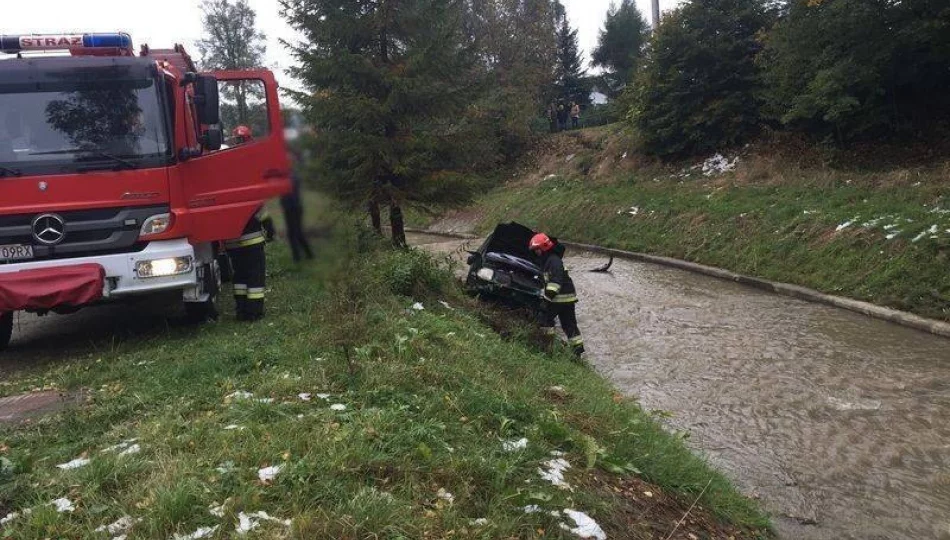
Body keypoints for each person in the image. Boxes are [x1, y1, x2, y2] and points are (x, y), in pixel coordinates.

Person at [529, 232, 584, 357]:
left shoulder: (553, 261)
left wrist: (546, 300)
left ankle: (547, 348)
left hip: (558, 299)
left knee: (545, 320)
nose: (536, 253)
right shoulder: (551, 260)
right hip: (568, 299)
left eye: (536, 250)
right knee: (569, 324)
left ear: (543, 248)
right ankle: (577, 351)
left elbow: (555, 283)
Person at [224, 212, 268, 321]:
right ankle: (254, 312)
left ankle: (241, 310)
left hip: (232, 244)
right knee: (255, 277)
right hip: (253, 242)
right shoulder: (246, 194)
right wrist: (270, 231)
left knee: (240, 276)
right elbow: (262, 214)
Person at [281, 150, 314, 262]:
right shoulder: (288, 176)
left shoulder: (291, 176)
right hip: (289, 207)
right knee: (294, 233)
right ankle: (302, 257)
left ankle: (303, 256)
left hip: (294, 207)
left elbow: (288, 189)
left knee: (295, 233)